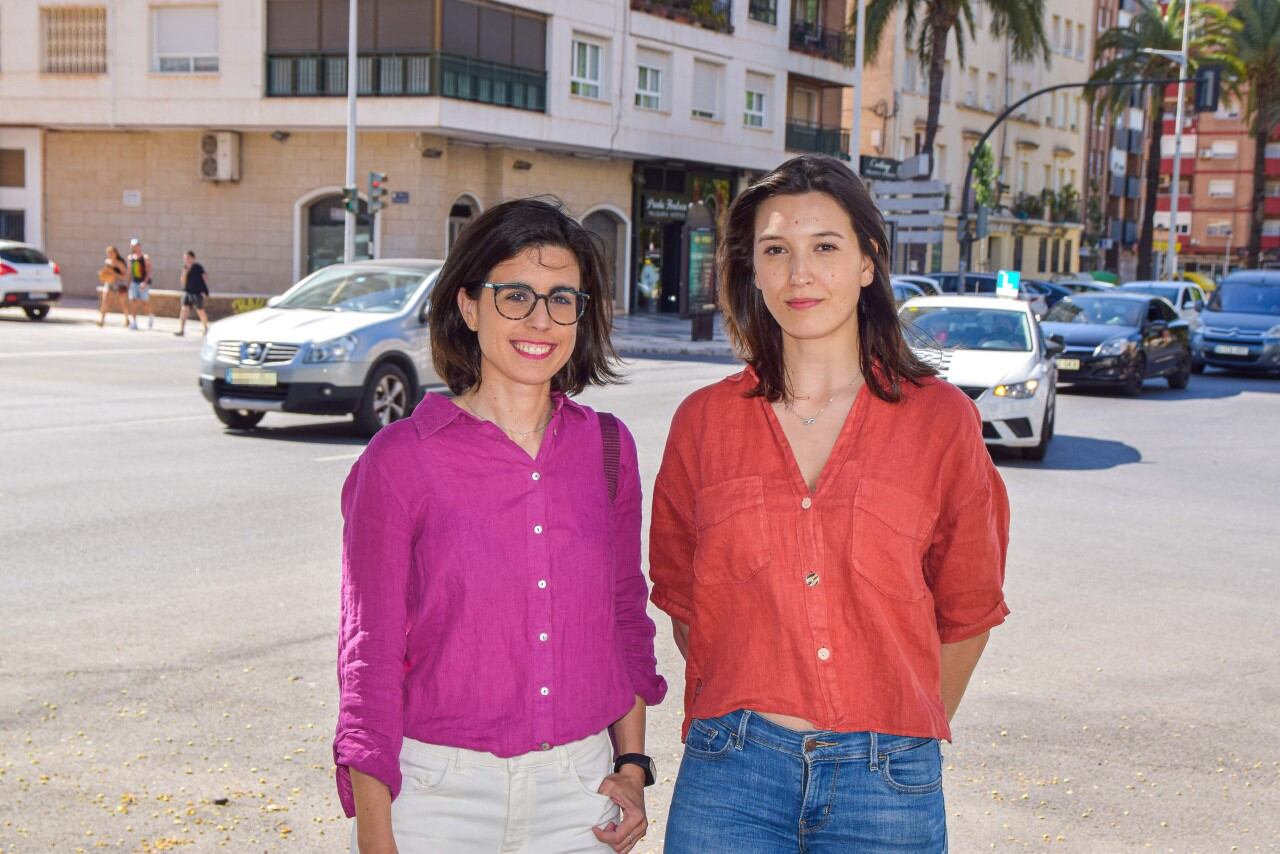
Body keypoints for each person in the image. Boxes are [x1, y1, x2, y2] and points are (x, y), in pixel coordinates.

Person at [650, 154, 1011, 853]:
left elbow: (969, 607)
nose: (799, 274)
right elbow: (688, 606)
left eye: (824, 247)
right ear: (750, 269)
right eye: (776, 251)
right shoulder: (704, 423)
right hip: (731, 775)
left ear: (869, 262)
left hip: (886, 783)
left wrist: (893, 728)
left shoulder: (941, 422)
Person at [335, 197, 666, 854]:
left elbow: (624, 616)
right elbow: (367, 656)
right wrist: (376, 834)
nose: (540, 320)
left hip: (579, 796)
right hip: (435, 799)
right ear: (468, 305)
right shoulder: (401, 459)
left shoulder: (608, 449)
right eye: (515, 295)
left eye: (562, 299)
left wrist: (632, 769)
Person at [175, 250, 210, 337]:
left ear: (193, 258)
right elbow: (182, 281)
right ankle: (182, 330)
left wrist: (203, 289)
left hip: (197, 292)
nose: (186, 260)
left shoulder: (198, 267)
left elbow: (205, 277)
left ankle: (206, 328)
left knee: (200, 310)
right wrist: (185, 272)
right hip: (187, 291)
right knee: (184, 310)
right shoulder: (185, 268)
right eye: (185, 258)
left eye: (188, 258)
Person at [96, 246, 130, 328]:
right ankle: (101, 320)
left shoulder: (120, 263)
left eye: (111, 252)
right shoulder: (107, 262)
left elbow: (125, 277)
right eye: (108, 253)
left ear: (116, 253)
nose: (109, 254)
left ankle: (127, 319)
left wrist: (114, 274)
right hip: (110, 283)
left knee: (123, 302)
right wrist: (103, 274)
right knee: (105, 300)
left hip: (120, 284)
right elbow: (107, 273)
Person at [125, 238, 154, 330]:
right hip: (134, 282)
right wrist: (128, 283)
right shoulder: (130, 258)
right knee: (133, 301)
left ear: (139, 246)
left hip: (142, 283)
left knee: (145, 302)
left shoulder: (145, 257)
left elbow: (149, 271)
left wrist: (144, 283)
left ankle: (150, 316)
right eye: (132, 245)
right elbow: (129, 272)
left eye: (136, 245)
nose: (134, 247)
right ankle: (134, 322)